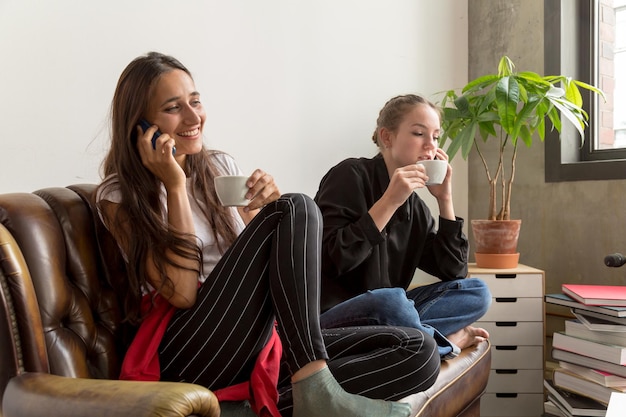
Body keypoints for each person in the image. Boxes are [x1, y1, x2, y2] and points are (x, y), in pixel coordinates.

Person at [96, 53, 440, 417]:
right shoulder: (118, 195)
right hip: (186, 350)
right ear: (141, 125)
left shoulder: (219, 167)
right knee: (297, 206)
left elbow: (255, 277)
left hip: (252, 338)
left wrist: (257, 216)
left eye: (195, 101)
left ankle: (261, 404)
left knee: (419, 354)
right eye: (173, 108)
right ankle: (313, 384)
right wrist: (175, 185)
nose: (194, 117)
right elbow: (181, 293)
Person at [314, 94, 492, 359]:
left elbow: (453, 271)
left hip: (390, 315)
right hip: (335, 317)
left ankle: (410, 337)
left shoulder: (416, 208)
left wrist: (445, 200)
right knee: (390, 300)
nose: (430, 146)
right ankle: (444, 343)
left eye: (435, 137)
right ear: (387, 138)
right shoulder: (349, 175)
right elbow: (332, 260)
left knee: (478, 292)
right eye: (419, 133)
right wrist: (388, 202)